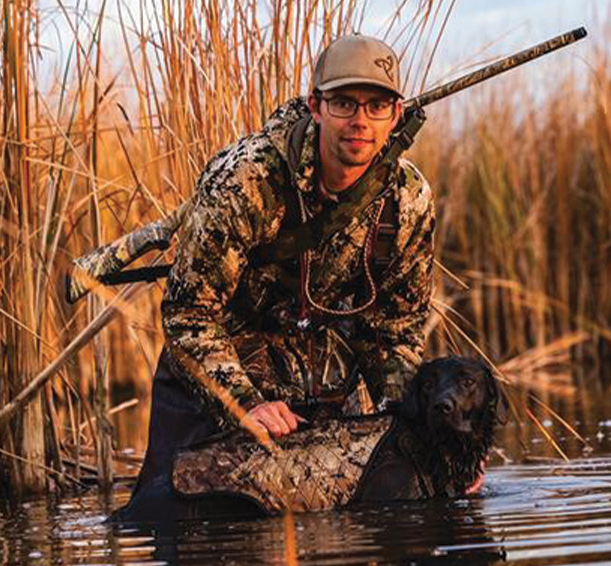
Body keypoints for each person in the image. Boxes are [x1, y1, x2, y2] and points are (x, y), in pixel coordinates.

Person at [117, 34, 436, 520]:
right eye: (344, 103)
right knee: (169, 521)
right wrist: (244, 405)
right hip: (218, 384)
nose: (359, 122)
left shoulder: (408, 199)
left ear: (396, 115)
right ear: (316, 105)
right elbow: (189, 315)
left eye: (376, 106)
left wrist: (418, 438)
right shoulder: (247, 179)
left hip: (324, 383)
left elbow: (396, 333)